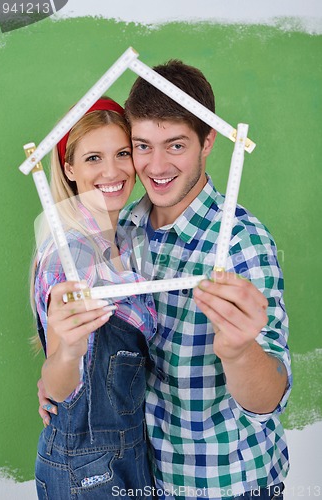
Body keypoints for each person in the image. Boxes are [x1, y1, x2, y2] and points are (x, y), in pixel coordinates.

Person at [39, 61, 291, 499]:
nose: (156, 165)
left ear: (208, 140)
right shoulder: (123, 232)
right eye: (141, 145)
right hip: (142, 479)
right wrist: (61, 364)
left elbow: (268, 398)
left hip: (224, 486)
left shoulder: (241, 245)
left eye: (175, 145)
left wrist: (238, 351)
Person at [32, 97, 157, 499]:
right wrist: (65, 356)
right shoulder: (69, 254)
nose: (112, 170)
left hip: (131, 453)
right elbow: (59, 386)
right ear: (69, 168)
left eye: (123, 153)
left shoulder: (124, 238)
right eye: (92, 158)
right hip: (86, 469)